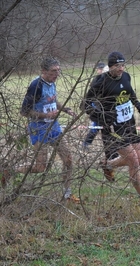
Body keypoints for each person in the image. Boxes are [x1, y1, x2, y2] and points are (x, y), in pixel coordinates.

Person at [3, 57, 80, 202]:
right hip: (38, 129)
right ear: (44, 71)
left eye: (58, 70)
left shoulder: (51, 82)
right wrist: (46, 115)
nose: (57, 74)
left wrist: (66, 110)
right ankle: (11, 170)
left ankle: (67, 194)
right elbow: (24, 111)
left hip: (53, 127)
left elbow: (52, 100)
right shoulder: (36, 86)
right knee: (40, 167)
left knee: (68, 159)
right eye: (53, 71)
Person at [83, 51, 140, 206]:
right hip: (113, 128)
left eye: (122, 65)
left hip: (129, 125)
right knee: (133, 160)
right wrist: (102, 116)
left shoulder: (126, 76)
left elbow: (129, 91)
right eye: (117, 66)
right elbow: (86, 104)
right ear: (110, 66)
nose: (120, 68)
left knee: (139, 159)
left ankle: (107, 164)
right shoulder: (101, 82)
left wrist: (137, 104)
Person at [82, 62, 109, 150]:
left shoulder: (108, 79)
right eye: (99, 69)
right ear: (97, 70)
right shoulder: (96, 79)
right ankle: (86, 144)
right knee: (96, 125)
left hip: (104, 106)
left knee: (103, 126)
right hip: (96, 106)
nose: (101, 70)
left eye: (102, 69)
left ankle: (109, 146)